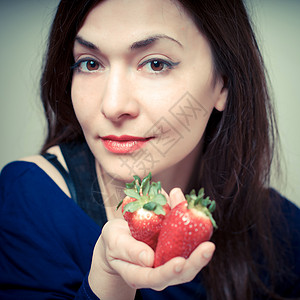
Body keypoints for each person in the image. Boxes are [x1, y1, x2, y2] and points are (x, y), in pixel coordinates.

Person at [0, 0, 299, 299]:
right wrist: (109, 279)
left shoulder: (281, 230)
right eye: (90, 63)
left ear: (223, 82)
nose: (113, 105)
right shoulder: (30, 196)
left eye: (156, 64)